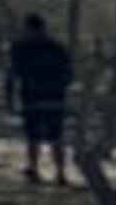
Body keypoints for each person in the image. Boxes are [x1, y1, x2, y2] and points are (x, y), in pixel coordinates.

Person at [5, 13, 75, 184]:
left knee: (33, 137)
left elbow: (12, 75)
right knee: (56, 137)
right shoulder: (58, 48)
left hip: (32, 98)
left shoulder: (20, 48)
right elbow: (69, 75)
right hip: (55, 98)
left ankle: (34, 169)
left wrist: (9, 99)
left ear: (28, 28)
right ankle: (60, 173)